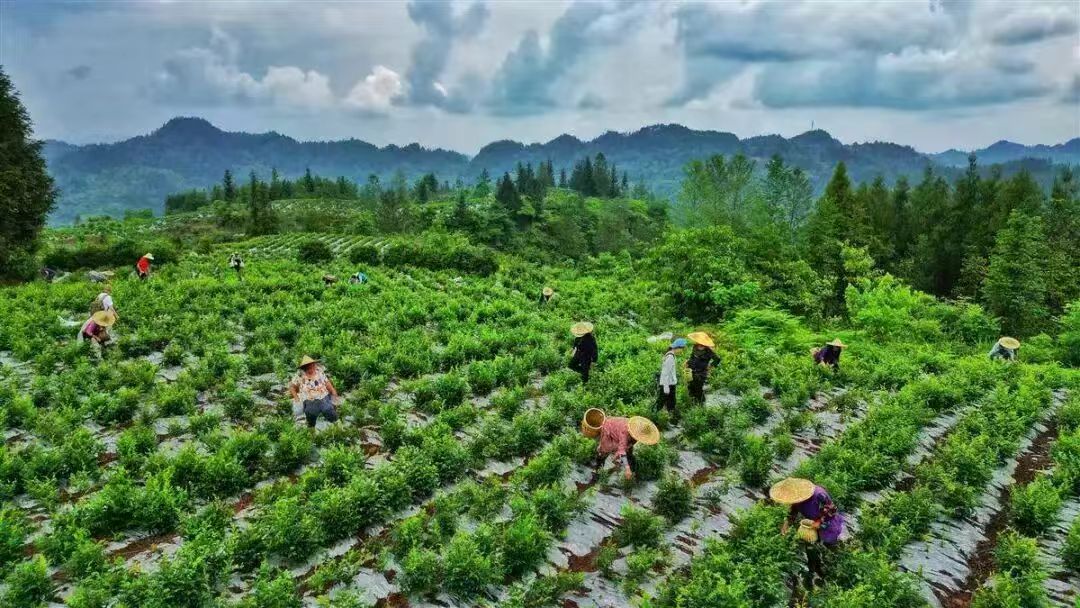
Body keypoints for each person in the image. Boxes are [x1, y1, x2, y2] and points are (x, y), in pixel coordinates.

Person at [771, 477, 845, 588]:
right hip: (811, 526)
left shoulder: (819, 495)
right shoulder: (797, 499)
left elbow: (831, 511)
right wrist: (786, 524)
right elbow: (793, 512)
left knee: (829, 544)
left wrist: (818, 522)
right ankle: (814, 570)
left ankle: (835, 569)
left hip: (827, 524)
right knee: (810, 546)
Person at [594, 415, 660, 481]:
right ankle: (597, 471)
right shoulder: (625, 432)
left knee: (629, 454)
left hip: (619, 429)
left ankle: (633, 474)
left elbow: (628, 445)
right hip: (609, 428)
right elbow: (622, 450)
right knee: (604, 451)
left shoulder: (635, 429)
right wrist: (627, 468)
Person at [288, 356, 340, 428]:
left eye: (313, 365)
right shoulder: (300, 376)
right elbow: (292, 387)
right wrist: (296, 398)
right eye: (309, 367)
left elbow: (327, 383)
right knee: (311, 415)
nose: (312, 368)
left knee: (329, 410)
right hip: (309, 400)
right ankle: (312, 432)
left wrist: (333, 391)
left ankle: (338, 428)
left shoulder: (319, 372)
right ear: (305, 368)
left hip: (323, 397)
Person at [686, 332, 720, 404]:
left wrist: (710, 366)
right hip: (691, 370)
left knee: (698, 388)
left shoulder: (708, 351)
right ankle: (693, 403)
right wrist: (687, 362)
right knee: (690, 387)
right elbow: (692, 357)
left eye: (702, 345)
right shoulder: (694, 347)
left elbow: (717, 359)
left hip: (701, 372)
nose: (701, 346)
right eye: (699, 344)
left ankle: (702, 403)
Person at [658, 338, 687, 419]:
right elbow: (665, 373)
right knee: (665, 403)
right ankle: (659, 419)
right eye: (682, 349)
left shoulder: (671, 355)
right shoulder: (670, 357)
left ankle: (668, 419)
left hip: (669, 384)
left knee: (669, 403)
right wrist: (666, 388)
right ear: (677, 347)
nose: (682, 351)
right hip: (667, 384)